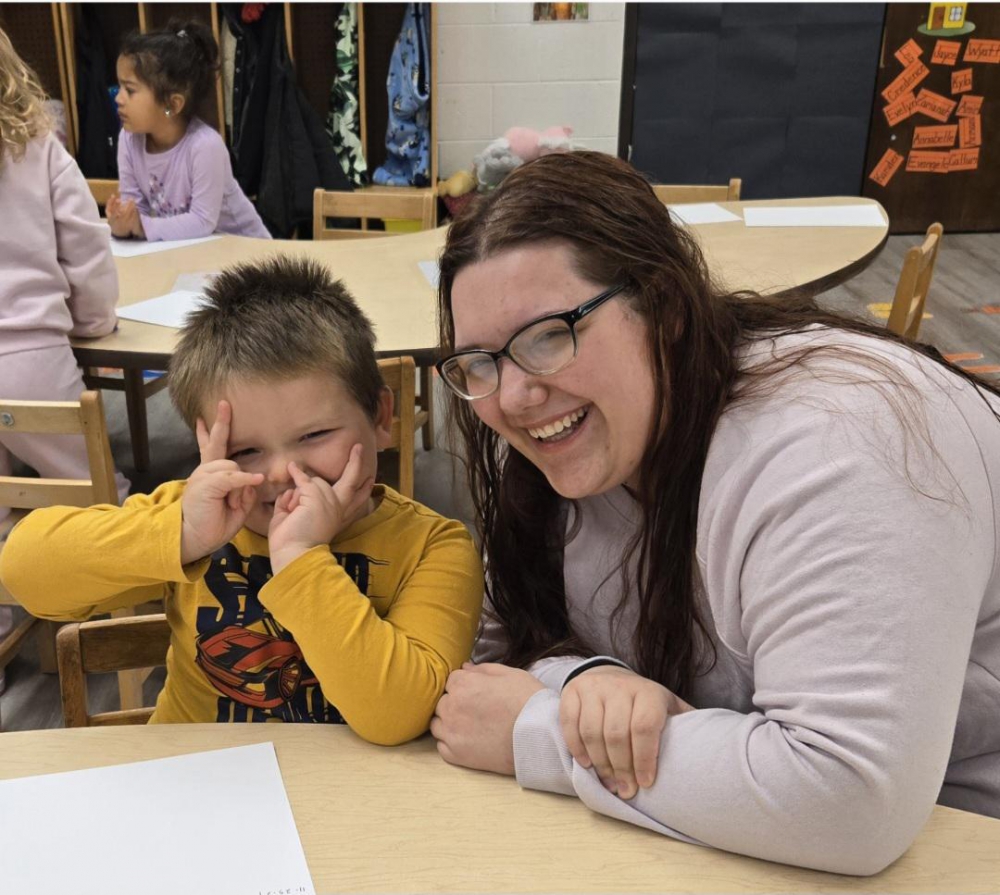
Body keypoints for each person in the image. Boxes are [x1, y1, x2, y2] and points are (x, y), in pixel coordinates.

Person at [428, 151, 1000, 875]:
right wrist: (586, 683)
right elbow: (489, 663)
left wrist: (539, 729)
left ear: (665, 308)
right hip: (732, 840)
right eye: (480, 362)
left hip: (959, 839)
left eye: (549, 335)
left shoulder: (838, 441)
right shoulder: (583, 445)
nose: (511, 398)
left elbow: (850, 802)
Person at [1, 256, 483, 742]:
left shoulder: (433, 548)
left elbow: (397, 715)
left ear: (380, 417)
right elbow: (26, 573)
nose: (281, 473)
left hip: (347, 782)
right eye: (245, 451)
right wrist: (184, 535)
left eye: (314, 434)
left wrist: (301, 559)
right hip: (198, 770)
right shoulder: (196, 517)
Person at [0, 28, 130, 692]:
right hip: (28, 358)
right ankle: (134, 612)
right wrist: (94, 321)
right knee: (101, 489)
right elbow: (84, 247)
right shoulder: (36, 146)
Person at [107, 20, 270, 242]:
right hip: (189, 251)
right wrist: (123, 224)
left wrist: (140, 225)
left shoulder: (205, 146)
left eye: (130, 90)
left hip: (245, 248)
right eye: (120, 86)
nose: (118, 98)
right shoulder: (128, 139)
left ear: (172, 105)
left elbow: (202, 221)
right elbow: (135, 210)